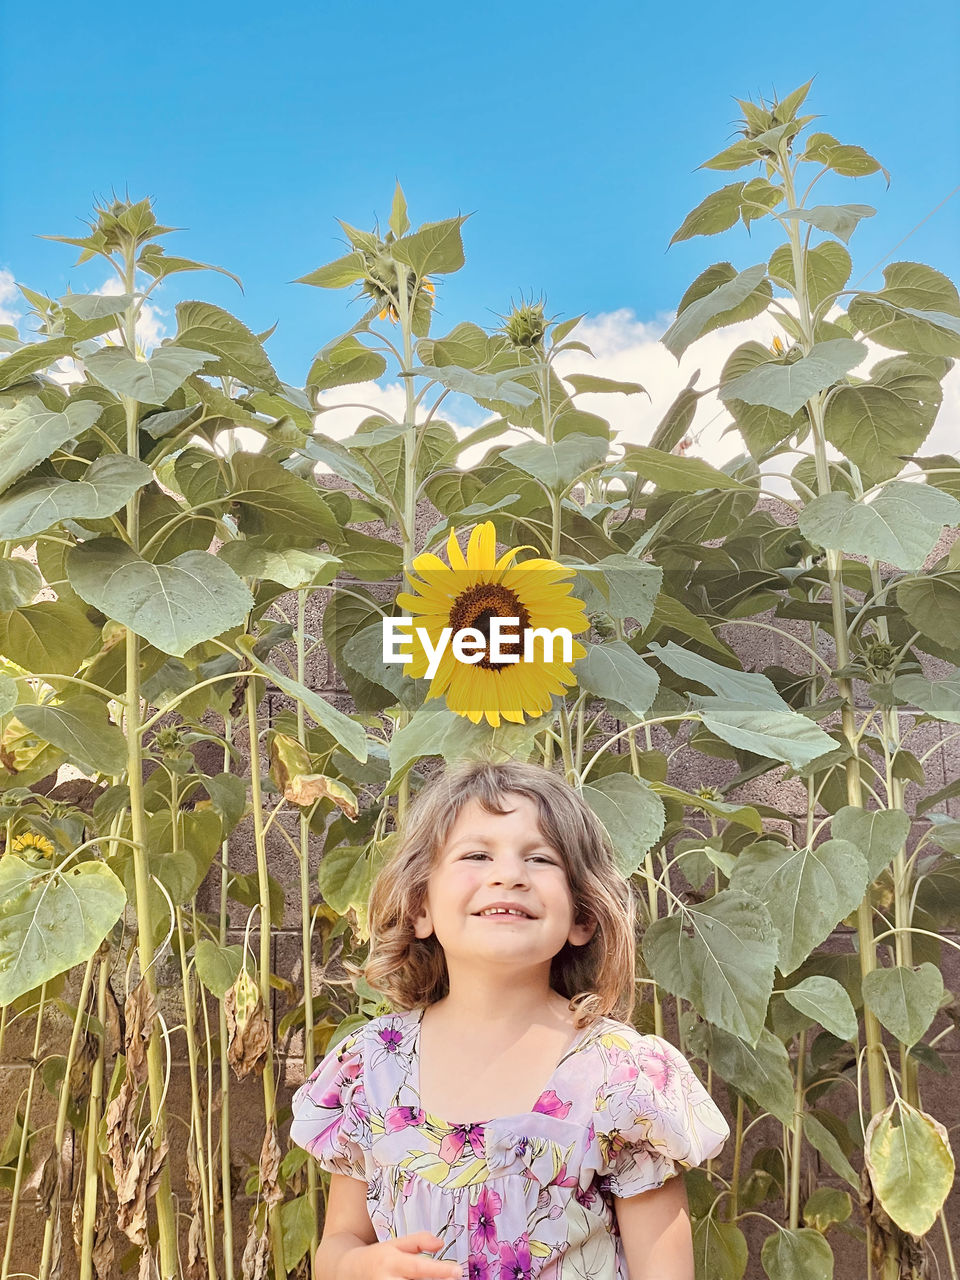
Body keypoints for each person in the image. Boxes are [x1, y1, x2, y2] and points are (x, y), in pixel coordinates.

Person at [290, 760, 729, 1279]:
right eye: (476, 854)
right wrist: (360, 1267)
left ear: (583, 915)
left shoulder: (622, 1079)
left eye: (541, 859)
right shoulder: (371, 1067)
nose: (508, 875)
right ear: (419, 906)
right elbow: (339, 1244)